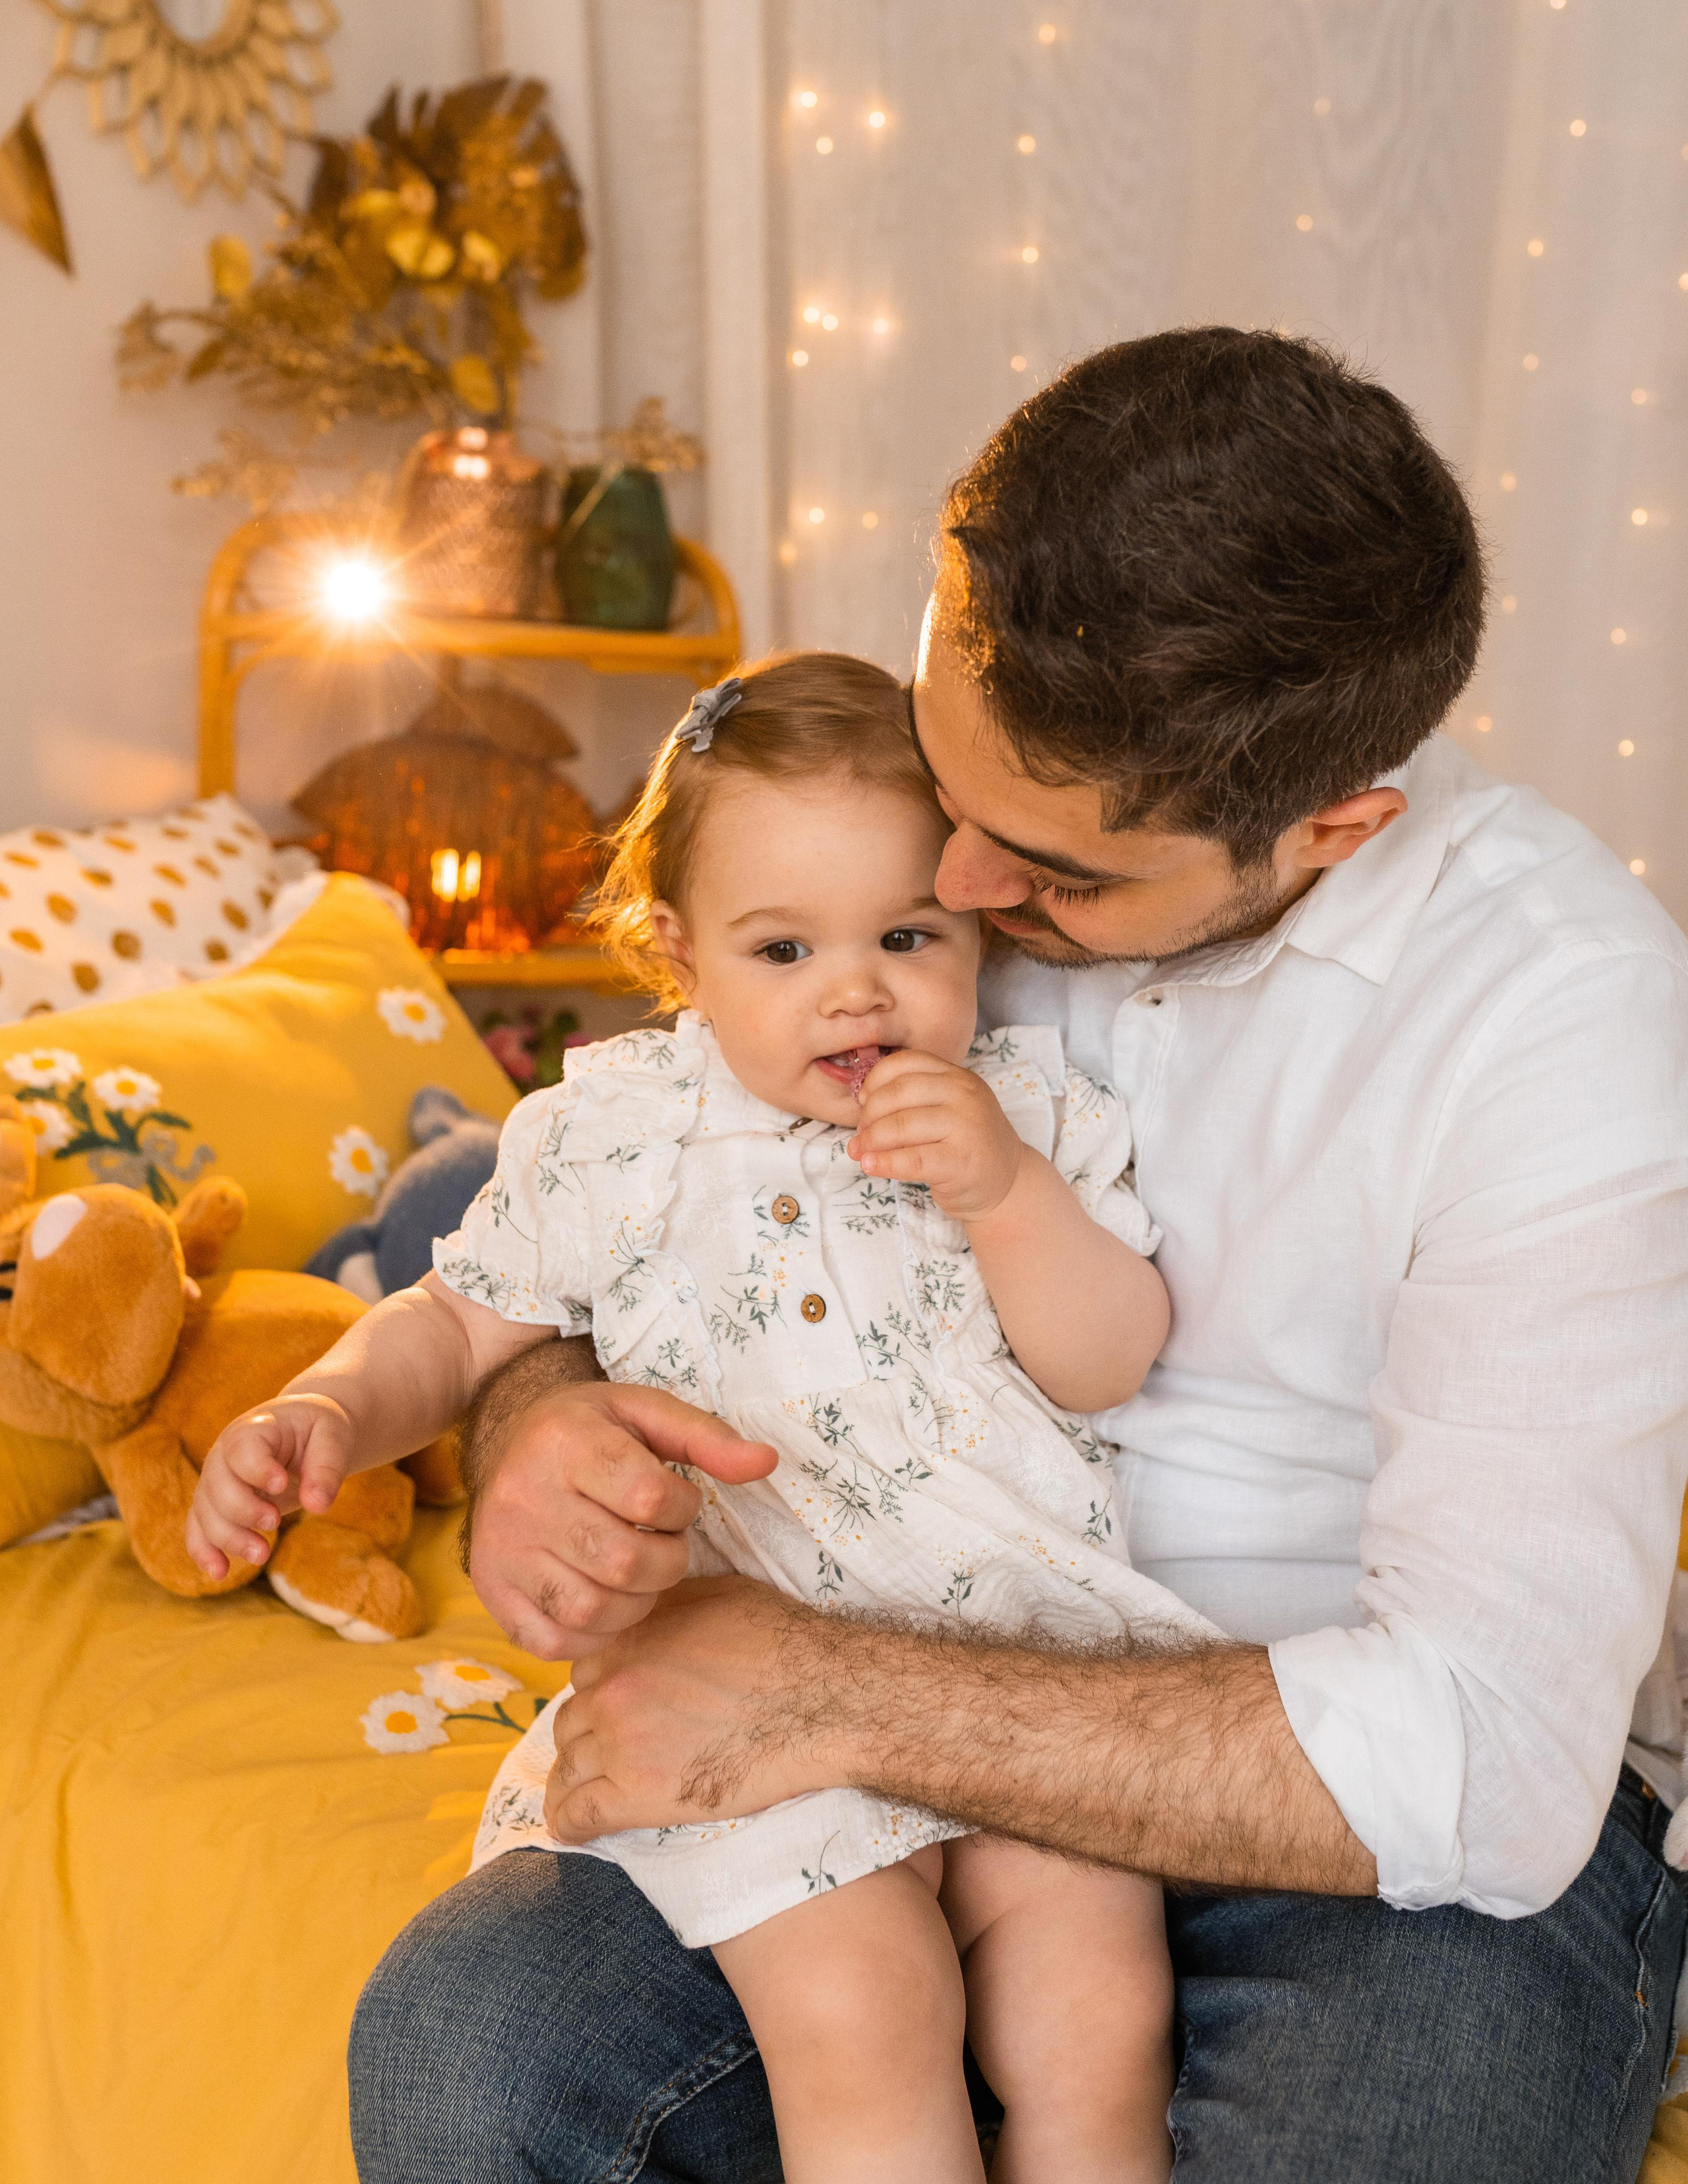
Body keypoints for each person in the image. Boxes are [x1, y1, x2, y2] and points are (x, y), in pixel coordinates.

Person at [344, 328, 1688, 2184]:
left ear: (1334, 829)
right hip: (872, 1733)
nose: (956, 900)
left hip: (1358, 1830)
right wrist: (534, 1427)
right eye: (943, 796)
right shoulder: (918, 847)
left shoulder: (1562, 1021)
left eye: (1044, 872)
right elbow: (637, 1204)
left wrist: (827, 1689)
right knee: (477, 2043)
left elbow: (1487, 1766)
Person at [189, 652, 1208, 2182]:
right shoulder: (616, 1135)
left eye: (906, 936)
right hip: (744, 1706)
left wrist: (1003, 1193)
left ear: (975, 927)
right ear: (675, 953)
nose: (855, 990)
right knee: (869, 2011)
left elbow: (1106, 1356)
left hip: (1025, 1671)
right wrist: (332, 1400)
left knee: (1100, 2014)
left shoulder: (1019, 1109)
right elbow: (463, 1320)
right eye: (783, 947)